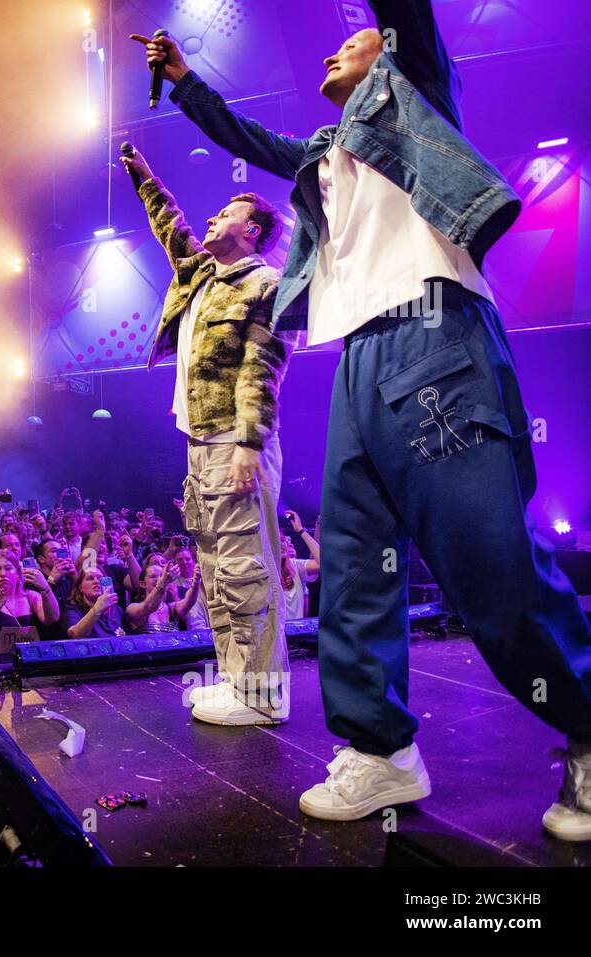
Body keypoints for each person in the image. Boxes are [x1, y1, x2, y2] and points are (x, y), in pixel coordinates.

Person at [135, 2, 591, 836]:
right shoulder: (321, 155)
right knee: (352, 570)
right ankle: (380, 750)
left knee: (488, 562)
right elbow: (247, 141)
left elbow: (406, 16)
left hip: (435, 338)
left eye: (356, 39)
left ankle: (588, 721)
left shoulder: (416, 91)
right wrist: (185, 84)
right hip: (357, 360)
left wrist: (390, 29)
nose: (337, 50)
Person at [119, 139, 291, 727]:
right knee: (216, 564)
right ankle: (236, 681)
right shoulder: (202, 275)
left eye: (229, 211)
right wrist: (145, 176)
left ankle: (264, 695)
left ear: (253, 231)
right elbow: (172, 224)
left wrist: (248, 441)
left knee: (246, 565)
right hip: (199, 440)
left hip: (234, 441)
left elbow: (262, 366)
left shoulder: (263, 284)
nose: (214, 215)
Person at [279, 511, 320, 621]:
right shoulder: (266, 570)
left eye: (282, 540)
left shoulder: (296, 566)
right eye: (276, 540)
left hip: (297, 634)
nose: (280, 544)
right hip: (276, 635)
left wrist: (301, 530)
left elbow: (321, 562)